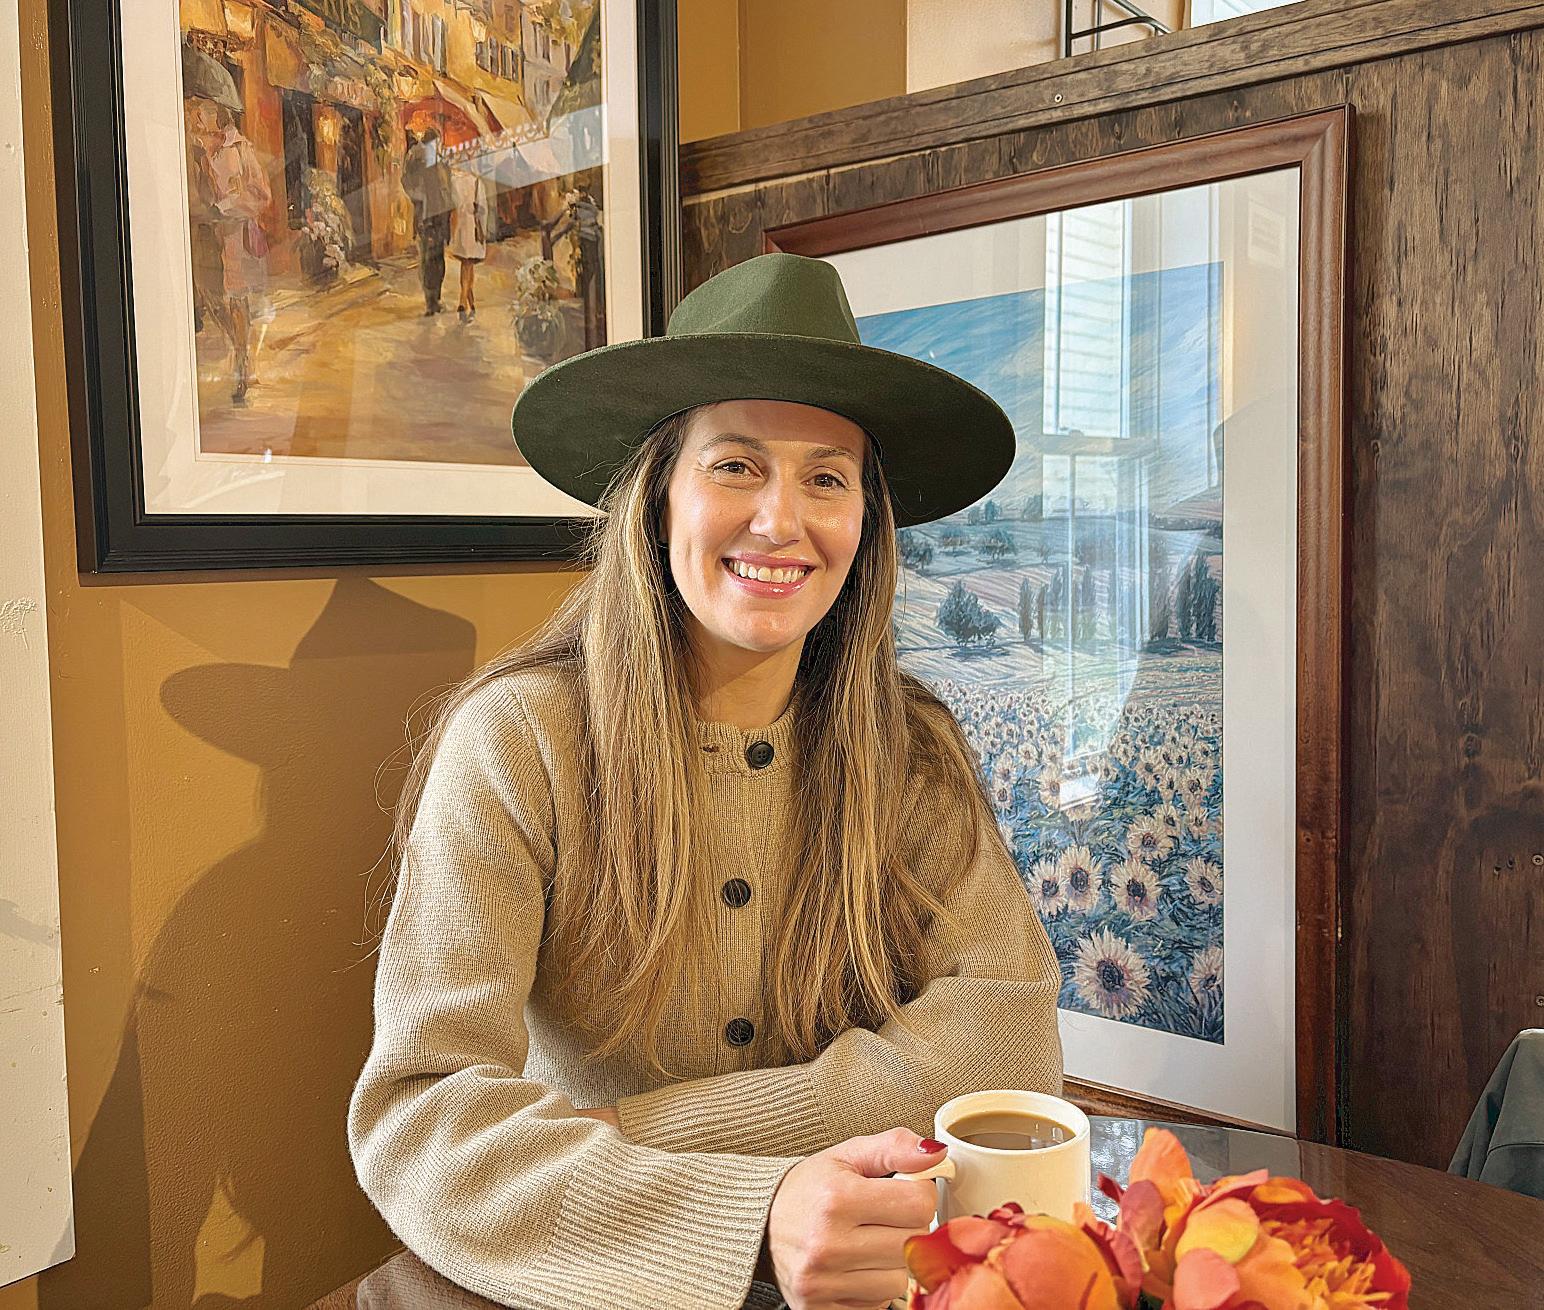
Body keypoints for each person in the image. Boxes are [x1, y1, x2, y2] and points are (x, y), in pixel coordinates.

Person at [347, 252, 1063, 1310]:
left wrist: (642, 1131)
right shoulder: (518, 743)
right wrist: (757, 1215)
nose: (780, 520)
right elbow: (422, 1122)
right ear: (656, 496)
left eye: (826, 477)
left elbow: (1007, 1042)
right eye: (735, 466)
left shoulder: (910, 749)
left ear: (863, 522)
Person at [187, 98, 271, 405]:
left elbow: (261, 194)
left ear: (218, 114)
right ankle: (238, 348)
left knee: (236, 299)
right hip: (204, 236)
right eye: (194, 111)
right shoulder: (191, 148)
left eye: (202, 111)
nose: (196, 116)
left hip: (234, 236)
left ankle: (241, 359)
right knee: (210, 297)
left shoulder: (239, 148)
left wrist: (224, 207)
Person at [402, 127, 452, 315]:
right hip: (427, 217)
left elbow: (447, 188)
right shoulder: (417, 160)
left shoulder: (440, 162)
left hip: (440, 216)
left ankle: (435, 299)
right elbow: (406, 182)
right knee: (428, 259)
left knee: (438, 258)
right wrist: (419, 199)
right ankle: (431, 301)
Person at [446, 163, 494, 322]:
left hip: (459, 228)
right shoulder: (476, 182)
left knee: (466, 265)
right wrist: (483, 232)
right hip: (473, 227)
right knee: (468, 264)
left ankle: (471, 304)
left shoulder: (453, 180)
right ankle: (462, 301)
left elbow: (451, 205)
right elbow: (483, 209)